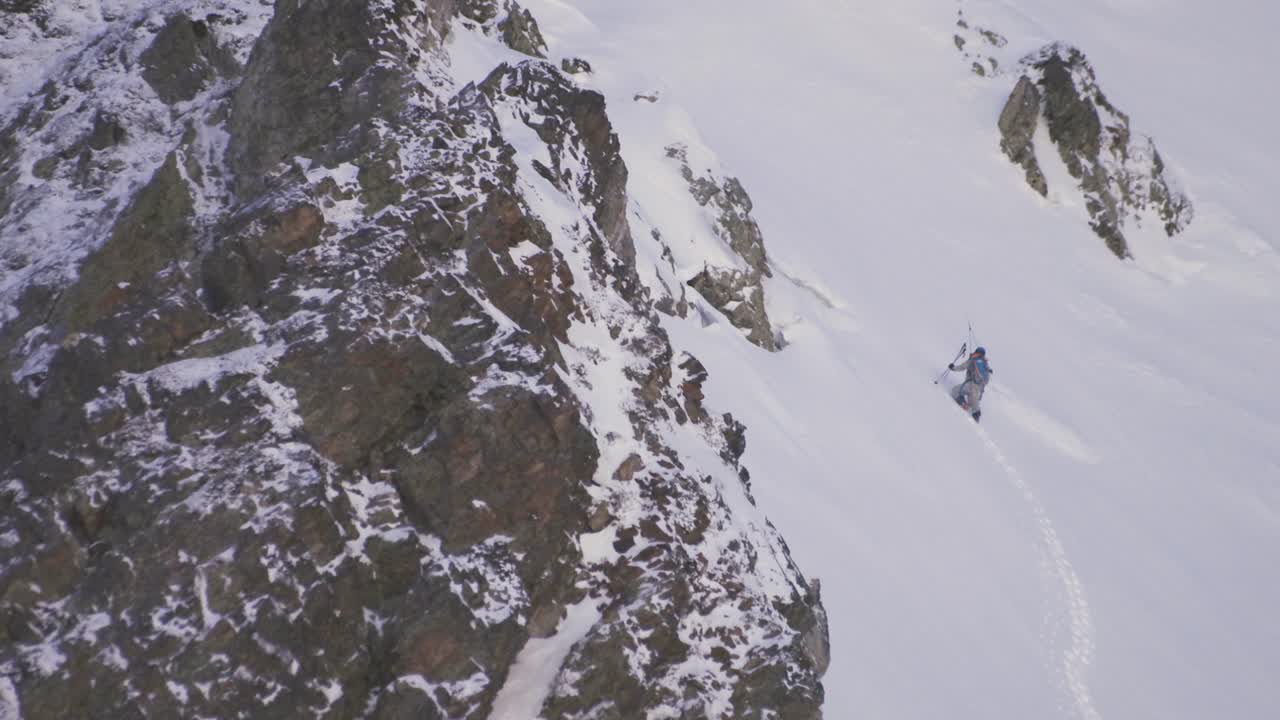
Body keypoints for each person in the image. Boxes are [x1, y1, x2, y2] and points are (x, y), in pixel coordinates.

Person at [948, 346, 993, 422]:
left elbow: (962, 367)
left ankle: (962, 402)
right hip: (979, 388)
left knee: (955, 390)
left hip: (971, 384)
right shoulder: (985, 363)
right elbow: (986, 379)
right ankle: (976, 416)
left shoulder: (973, 360)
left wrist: (953, 368)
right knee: (973, 402)